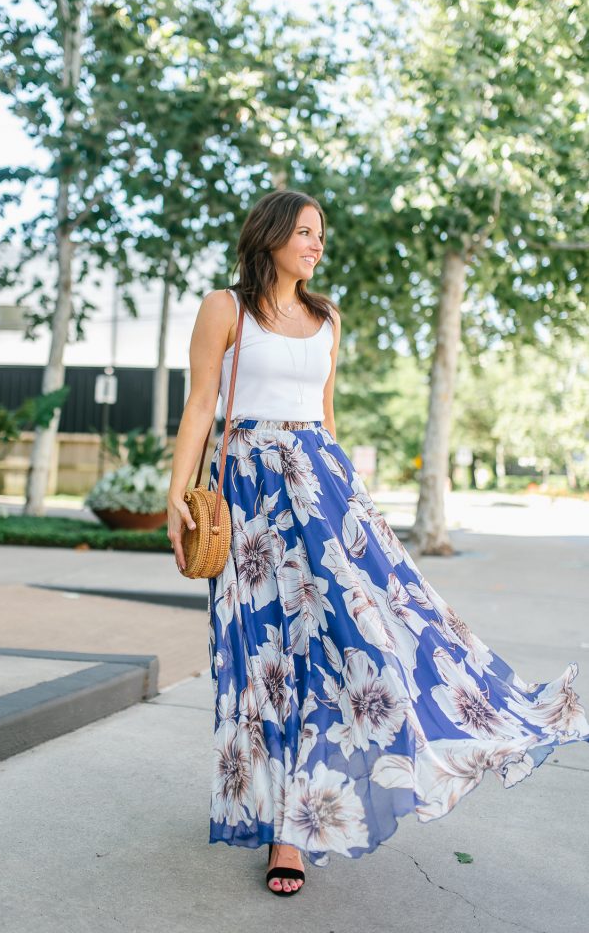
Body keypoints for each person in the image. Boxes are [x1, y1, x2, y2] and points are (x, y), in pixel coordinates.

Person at [166, 189, 589, 896]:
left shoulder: (326, 316)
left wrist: (359, 506)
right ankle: (285, 834)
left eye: (320, 234)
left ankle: (444, 737)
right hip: (249, 500)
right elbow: (202, 404)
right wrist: (176, 495)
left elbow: (325, 418)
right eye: (303, 232)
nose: (315, 244)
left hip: (323, 490)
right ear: (268, 236)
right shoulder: (225, 308)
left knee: (370, 634)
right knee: (267, 660)